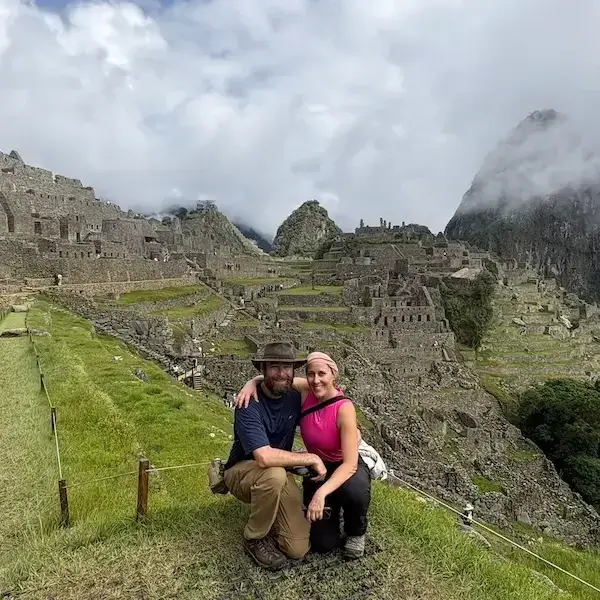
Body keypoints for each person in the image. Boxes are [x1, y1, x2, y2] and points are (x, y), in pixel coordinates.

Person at [236, 351, 371, 560]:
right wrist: (251, 382)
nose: (316, 380)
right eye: (311, 374)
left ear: (333, 375)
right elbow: (276, 378)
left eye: (322, 374)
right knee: (322, 543)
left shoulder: (344, 407)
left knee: (354, 489)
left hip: (344, 465)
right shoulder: (305, 392)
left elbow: (350, 464)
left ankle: (356, 530)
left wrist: (320, 494)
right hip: (316, 469)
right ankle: (330, 508)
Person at [223, 342, 327, 571]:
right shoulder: (248, 404)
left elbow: (322, 385)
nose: (281, 373)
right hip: (243, 471)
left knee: (297, 549)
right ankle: (254, 538)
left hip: (278, 472)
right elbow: (264, 458)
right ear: (263, 369)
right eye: (274, 367)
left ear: (293, 371)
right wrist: (310, 458)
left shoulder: (293, 396)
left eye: (287, 367)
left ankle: (274, 522)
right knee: (274, 475)